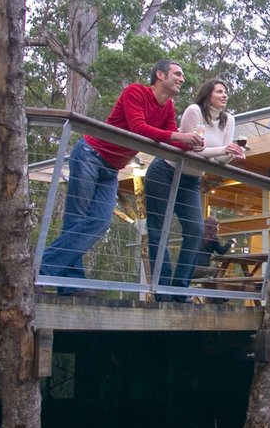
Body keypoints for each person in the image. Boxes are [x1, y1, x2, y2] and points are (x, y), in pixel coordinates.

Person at [39, 60, 203, 296]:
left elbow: (170, 140)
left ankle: (45, 268)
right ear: (159, 74)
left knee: (101, 221)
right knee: (76, 221)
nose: (182, 78)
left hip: (112, 168)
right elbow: (138, 128)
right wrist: (179, 136)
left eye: (182, 75)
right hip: (90, 155)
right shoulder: (135, 92)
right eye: (177, 73)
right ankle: (67, 283)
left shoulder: (168, 107)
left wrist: (194, 145)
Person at [144, 78, 245, 301]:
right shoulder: (194, 111)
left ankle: (179, 289)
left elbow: (219, 159)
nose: (224, 95)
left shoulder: (229, 120)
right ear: (208, 93)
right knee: (158, 230)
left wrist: (232, 153)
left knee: (195, 230)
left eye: (226, 91)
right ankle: (162, 290)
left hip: (191, 179)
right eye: (219, 91)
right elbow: (189, 150)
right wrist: (222, 149)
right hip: (166, 171)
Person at [192, 216, 232, 280]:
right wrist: (229, 243)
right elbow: (221, 251)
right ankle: (214, 288)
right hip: (202, 269)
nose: (218, 228)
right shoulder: (213, 238)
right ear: (214, 227)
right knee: (219, 270)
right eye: (218, 226)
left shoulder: (198, 235)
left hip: (190, 269)